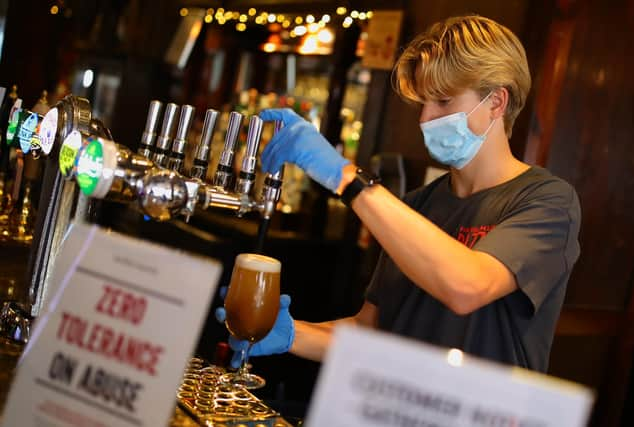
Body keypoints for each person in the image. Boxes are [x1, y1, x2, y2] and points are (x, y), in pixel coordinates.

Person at [217, 14, 581, 373]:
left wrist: (348, 180)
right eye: (422, 103)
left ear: (497, 103)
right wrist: (292, 335)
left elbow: (467, 286)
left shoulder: (546, 201)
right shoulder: (419, 206)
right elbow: (371, 331)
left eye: (443, 101)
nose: (424, 119)